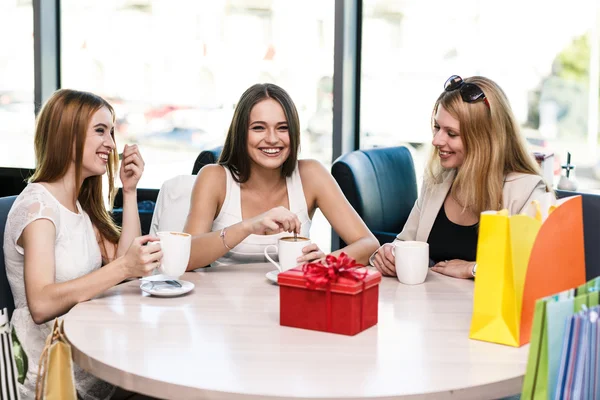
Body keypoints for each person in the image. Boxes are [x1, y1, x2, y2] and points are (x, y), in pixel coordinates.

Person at [4, 89, 162, 399]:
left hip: (87, 353)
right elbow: (41, 304)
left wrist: (129, 192)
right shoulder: (39, 209)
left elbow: (125, 266)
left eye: (112, 132)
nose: (112, 144)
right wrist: (123, 265)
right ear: (68, 135)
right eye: (100, 131)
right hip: (50, 375)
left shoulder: (78, 204)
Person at [371, 75, 550, 280]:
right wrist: (387, 254)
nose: (436, 140)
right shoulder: (436, 182)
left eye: (452, 133)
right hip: (428, 309)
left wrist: (473, 269)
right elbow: (404, 243)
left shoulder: (529, 193)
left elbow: (537, 272)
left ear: (486, 140)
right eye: (437, 127)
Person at [184, 83, 379, 268]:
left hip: (293, 297)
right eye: (258, 128)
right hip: (221, 300)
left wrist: (326, 263)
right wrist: (248, 226)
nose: (272, 139)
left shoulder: (311, 174)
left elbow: (369, 244)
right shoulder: (213, 177)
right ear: (241, 133)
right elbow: (186, 257)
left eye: (282, 128)